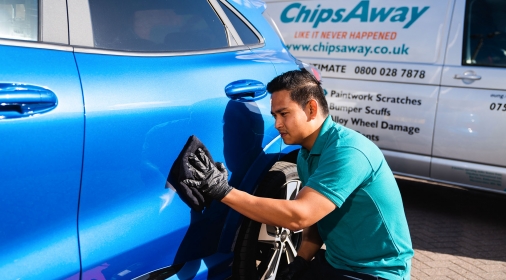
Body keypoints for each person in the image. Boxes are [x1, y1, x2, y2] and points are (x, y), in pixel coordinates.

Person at [182, 69, 414, 279]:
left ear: (311, 109)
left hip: (376, 272)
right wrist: (301, 261)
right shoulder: (306, 153)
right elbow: (317, 217)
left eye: (284, 114)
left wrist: (223, 192)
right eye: (274, 116)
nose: (277, 124)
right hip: (335, 263)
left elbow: (299, 216)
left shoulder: (348, 152)